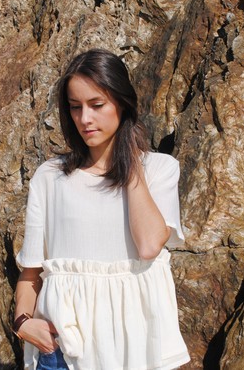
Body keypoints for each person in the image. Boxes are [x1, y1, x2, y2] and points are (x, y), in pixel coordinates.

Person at [13, 49, 191, 370]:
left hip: (137, 352)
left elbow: (149, 246)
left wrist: (129, 159)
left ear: (122, 104)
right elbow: (30, 274)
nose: (85, 119)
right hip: (63, 351)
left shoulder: (159, 170)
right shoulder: (50, 177)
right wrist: (24, 323)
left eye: (97, 105)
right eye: (75, 107)